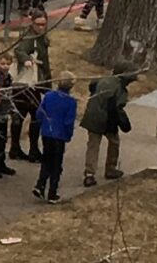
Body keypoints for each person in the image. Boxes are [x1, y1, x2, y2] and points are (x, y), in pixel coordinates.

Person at [79, 70, 133, 186]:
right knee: (114, 142)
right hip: (108, 120)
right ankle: (110, 168)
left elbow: (92, 86)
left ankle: (89, 174)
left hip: (92, 116)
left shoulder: (102, 79)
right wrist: (125, 125)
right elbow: (117, 110)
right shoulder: (120, 90)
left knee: (93, 145)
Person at [34, 73, 79, 202]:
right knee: (56, 164)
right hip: (59, 136)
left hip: (47, 133)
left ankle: (40, 184)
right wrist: (68, 135)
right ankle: (52, 192)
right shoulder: (70, 102)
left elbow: (39, 113)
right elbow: (68, 122)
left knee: (46, 159)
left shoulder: (48, 96)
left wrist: (43, 123)